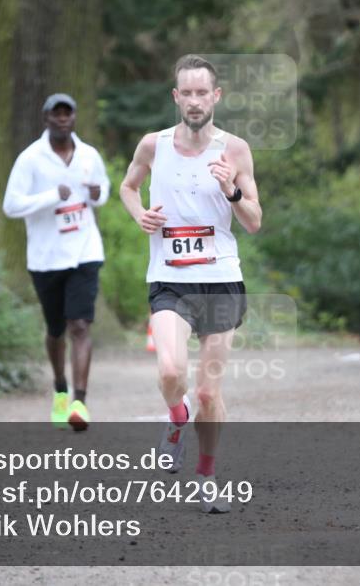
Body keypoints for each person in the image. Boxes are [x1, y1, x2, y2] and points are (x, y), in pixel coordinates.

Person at [119, 54, 261, 513]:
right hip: (170, 280)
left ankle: (206, 476)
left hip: (220, 280)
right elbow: (128, 187)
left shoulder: (234, 150)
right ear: (176, 97)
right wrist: (140, 214)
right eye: (188, 93)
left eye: (204, 93)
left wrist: (231, 191)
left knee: (208, 392)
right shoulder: (152, 145)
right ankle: (175, 419)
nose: (196, 101)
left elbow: (255, 221)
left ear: (216, 97)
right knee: (169, 373)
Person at [3, 93, 109, 431]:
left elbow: (103, 189)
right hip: (46, 257)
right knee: (56, 329)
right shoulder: (30, 159)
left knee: (80, 325)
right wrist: (52, 196)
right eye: (56, 114)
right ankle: (60, 389)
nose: (63, 119)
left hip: (85, 250)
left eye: (68, 114)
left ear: (75, 117)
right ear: (46, 118)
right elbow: (11, 205)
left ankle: (80, 402)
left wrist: (97, 194)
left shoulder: (89, 155)